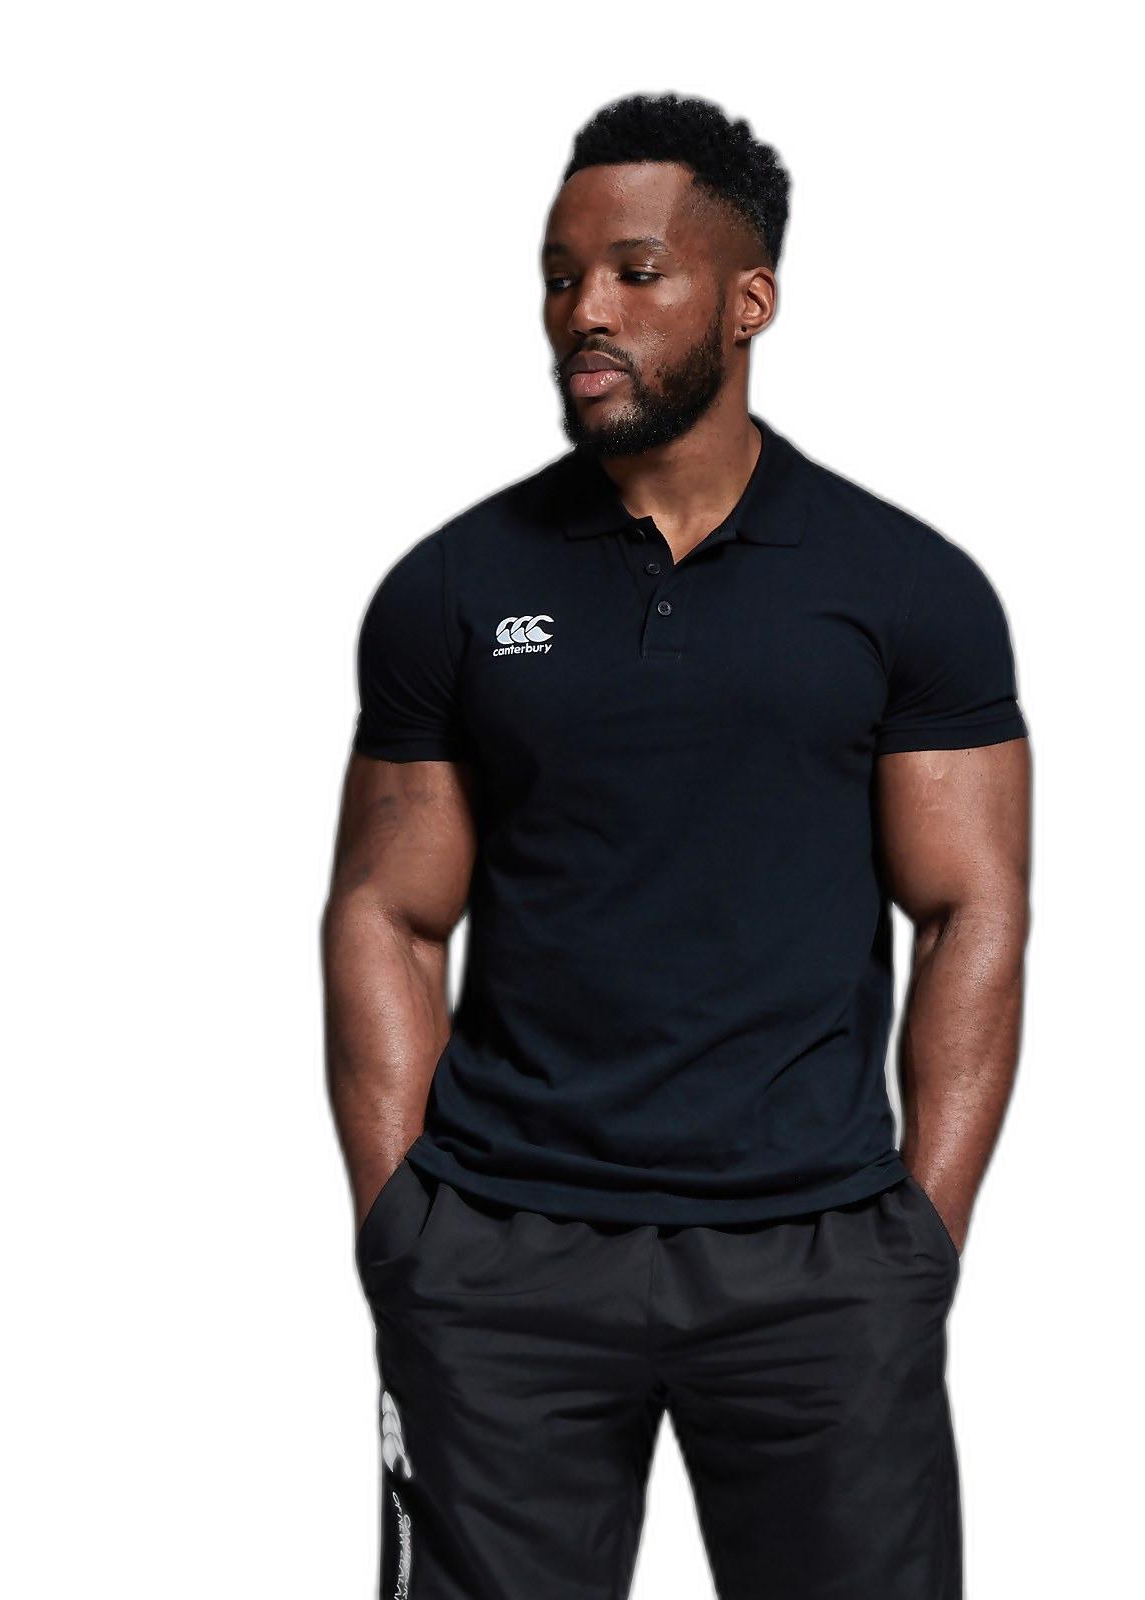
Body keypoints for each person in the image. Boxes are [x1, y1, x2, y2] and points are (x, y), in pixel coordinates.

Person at [322, 91, 1031, 1600]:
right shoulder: (451, 588)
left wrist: (920, 1234)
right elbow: (387, 909)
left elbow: (972, 905)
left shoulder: (905, 587)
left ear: (749, 299)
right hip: (503, 1257)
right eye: (561, 275)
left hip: (816, 1262)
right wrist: (404, 1228)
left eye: (637, 272)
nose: (586, 310)